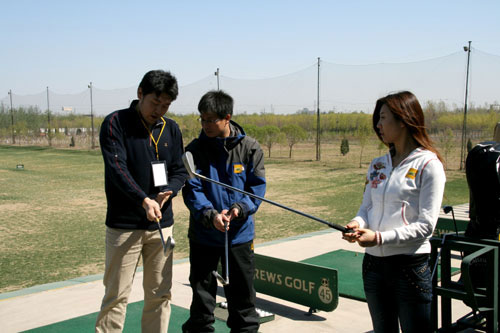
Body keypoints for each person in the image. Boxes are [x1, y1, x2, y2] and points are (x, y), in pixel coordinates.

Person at [343, 91, 446, 333]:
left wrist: (377, 238)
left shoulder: (429, 165)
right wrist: (356, 223)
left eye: (383, 118)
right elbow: (367, 207)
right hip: (374, 267)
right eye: (377, 119)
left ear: (403, 120)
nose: (378, 125)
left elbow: (425, 226)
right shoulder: (377, 164)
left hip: (409, 268)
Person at [96, 70, 188, 332]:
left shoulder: (171, 128)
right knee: (116, 296)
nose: (159, 110)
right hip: (125, 227)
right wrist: (144, 200)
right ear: (140, 94)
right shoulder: (116, 122)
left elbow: (180, 170)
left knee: (161, 293)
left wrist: (169, 190)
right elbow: (117, 169)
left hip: (163, 227)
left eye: (166, 105)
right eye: (154, 102)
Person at [181, 90, 266, 333]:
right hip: (204, 236)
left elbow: (256, 188)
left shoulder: (250, 148)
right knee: (201, 303)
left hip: (239, 237)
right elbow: (192, 190)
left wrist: (238, 209)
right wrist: (210, 215)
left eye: (211, 119)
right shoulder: (194, 150)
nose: (205, 124)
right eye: (202, 119)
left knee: (243, 304)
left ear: (227, 117)